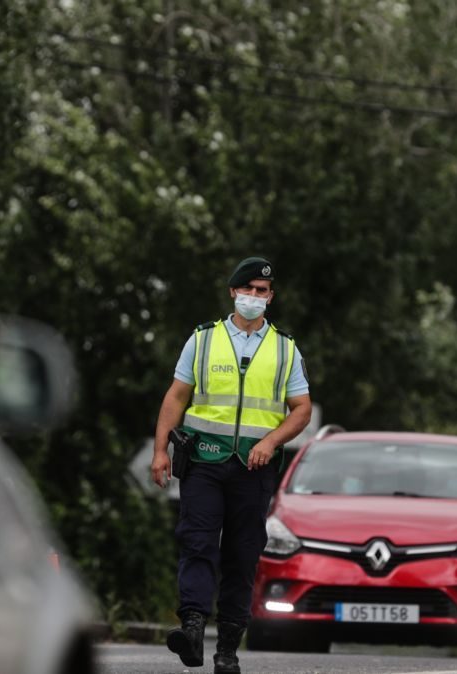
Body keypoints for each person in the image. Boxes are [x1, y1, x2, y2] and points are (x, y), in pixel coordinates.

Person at [151, 257, 312, 673]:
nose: (254, 297)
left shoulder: (285, 348)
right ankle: (190, 627)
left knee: (242, 556)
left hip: (254, 469)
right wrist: (160, 450)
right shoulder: (202, 340)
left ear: (271, 297)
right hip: (204, 460)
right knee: (197, 541)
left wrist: (273, 440)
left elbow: (301, 409)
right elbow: (176, 397)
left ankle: (227, 650)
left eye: (262, 292)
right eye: (249, 289)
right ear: (233, 292)